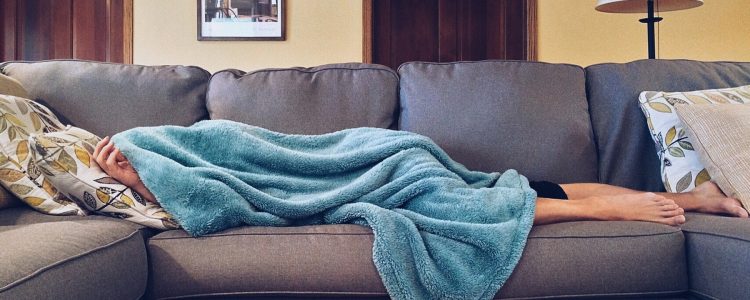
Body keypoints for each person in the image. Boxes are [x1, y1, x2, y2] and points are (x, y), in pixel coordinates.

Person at [92, 135, 749, 227]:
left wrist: (146, 177)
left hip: (393, 160)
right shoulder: (170, 153)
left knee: (474, 204)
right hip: (399, 156)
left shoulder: (182, 145)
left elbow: (225, 192)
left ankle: (616, 211)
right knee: (518, 187)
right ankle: (697, 197)